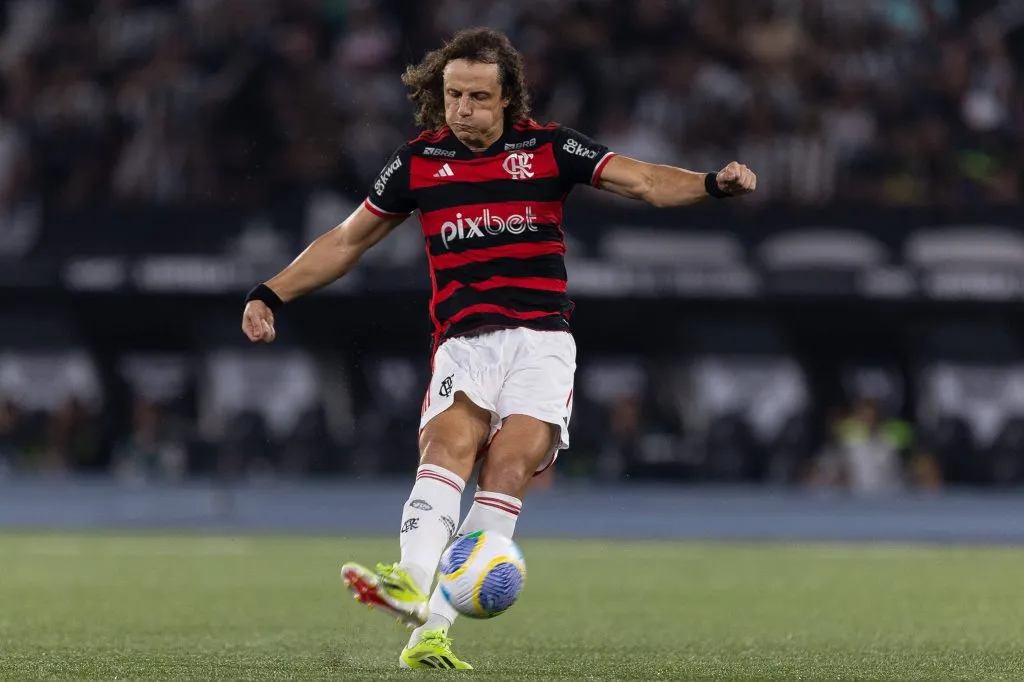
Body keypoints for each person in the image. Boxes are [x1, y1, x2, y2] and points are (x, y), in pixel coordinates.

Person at [241, 27, 756, 670]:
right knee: (446, 450)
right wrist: (270, 292)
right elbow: (347, 240)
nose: (462, 109)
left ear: (508, 96)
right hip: (463, 344)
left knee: (507, 471)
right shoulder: (418, 161)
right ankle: (410, 582)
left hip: (542, 346)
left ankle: (432, 630)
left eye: (478, 97)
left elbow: (646, 181)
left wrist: (713, 184)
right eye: (453, 95)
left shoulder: (550, 148)